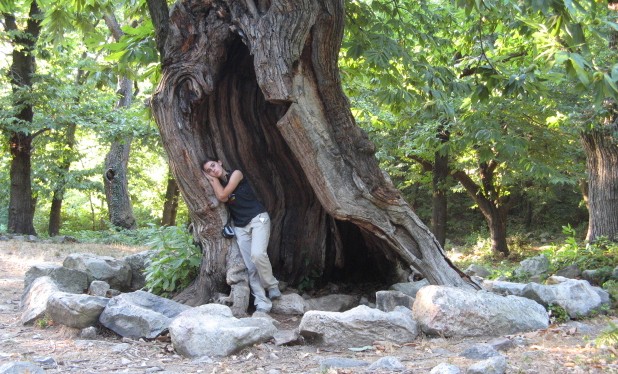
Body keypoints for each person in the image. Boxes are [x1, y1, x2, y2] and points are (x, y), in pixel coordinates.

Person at [202, 158, 281, 313]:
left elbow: (223, 195)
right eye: (209, 171)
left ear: (220, 162)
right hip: (240, 227)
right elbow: (222, 196)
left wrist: (212, 180)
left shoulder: (236, 174)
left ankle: (272, 285)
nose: (213, 170)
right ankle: (262, 302)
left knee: (258, 255)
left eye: (213, 166)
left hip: (258, 219)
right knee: (250, 267)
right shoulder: (219, 184)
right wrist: (214, 180)